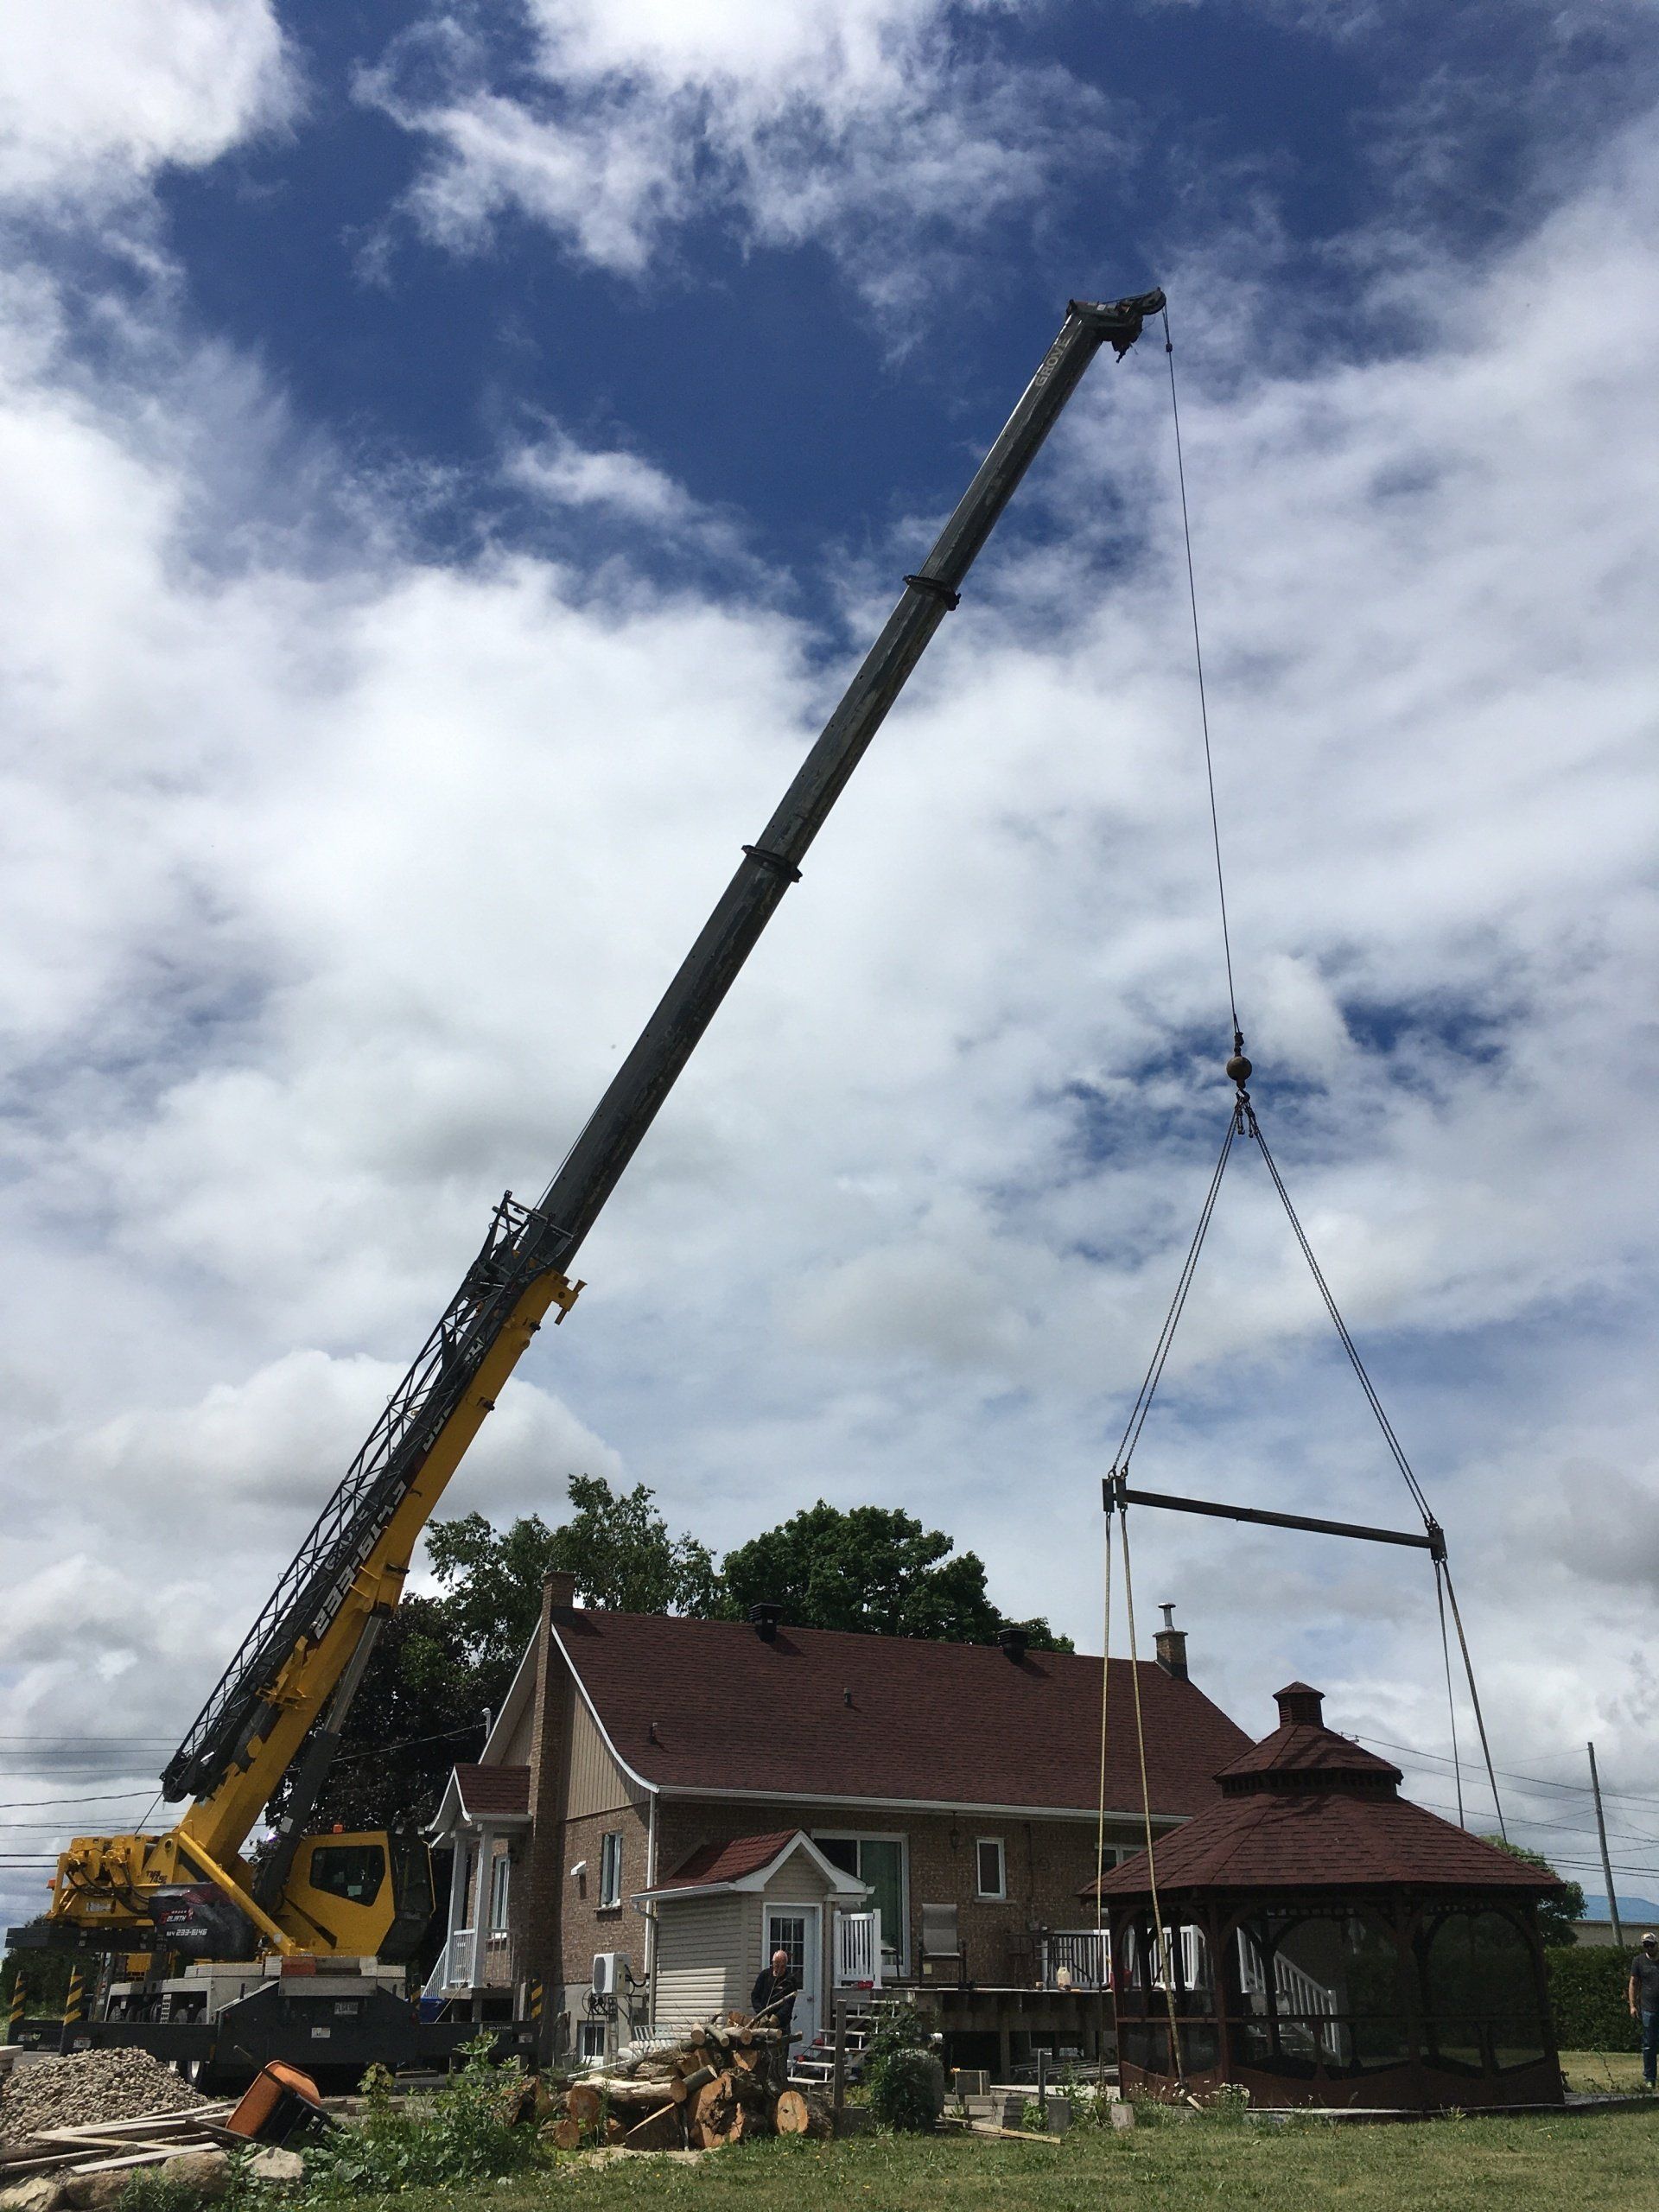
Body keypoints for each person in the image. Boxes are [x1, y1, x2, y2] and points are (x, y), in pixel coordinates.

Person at [751, 1947, 800, 2090]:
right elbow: (755, 1996)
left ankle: (779, 2084)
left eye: (782, 1966)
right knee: (763, 2054)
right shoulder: (764, 1976)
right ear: (772, 1963)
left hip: (780, 2024)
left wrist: (775, 2019)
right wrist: (762, 2013)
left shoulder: (790, 1981)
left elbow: (788, 2005)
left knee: (779, 2056)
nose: (779, 1969)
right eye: (776, 1965)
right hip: (763, 2020)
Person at [1630, 1931, 1659, 2090]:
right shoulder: (1638, 1961)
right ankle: (1650, 2078)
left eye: (1651, 1945)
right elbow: (1633, 1983)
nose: (1649, 1948)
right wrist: (1632, 2006)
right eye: (1646, 1945)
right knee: (1649, 2045)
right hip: (1648, 2008)